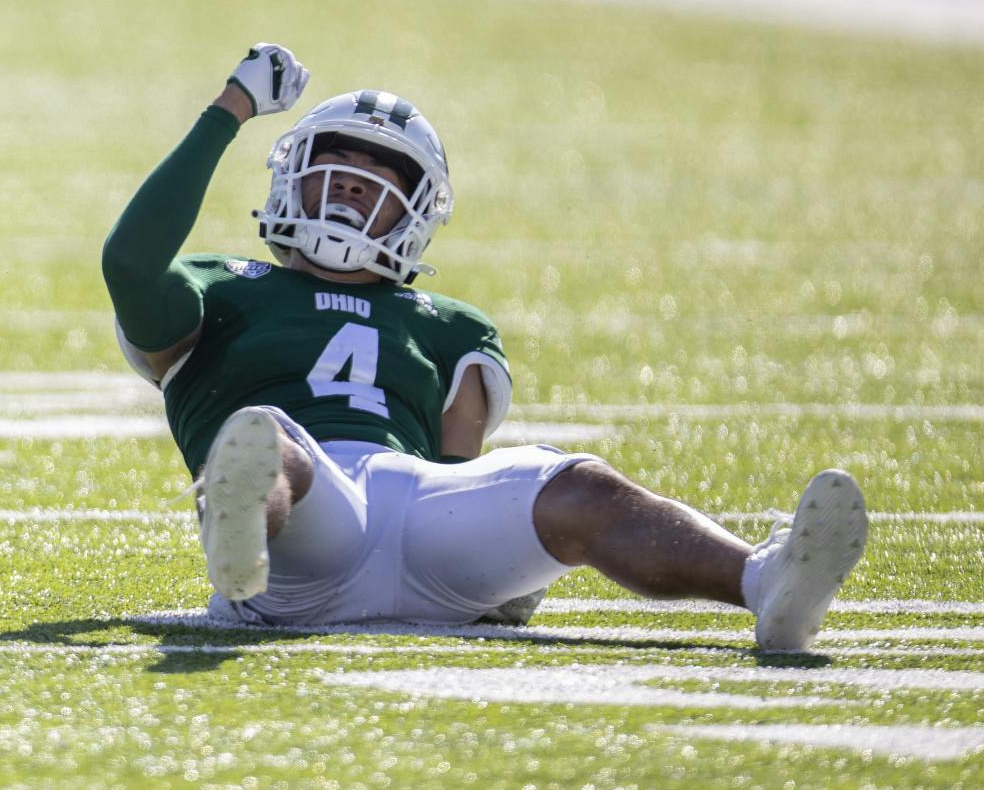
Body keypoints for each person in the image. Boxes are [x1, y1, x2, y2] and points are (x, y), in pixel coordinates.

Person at [100, 44, 869, 651]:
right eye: (337, 164)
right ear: (290, 177)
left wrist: (499, 553)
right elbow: (129, 262)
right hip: (313, 532)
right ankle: (241, 541)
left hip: (418, 514)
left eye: (380, 176)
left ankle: (766, 583)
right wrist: (231, 108)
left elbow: (457, 465)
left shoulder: (448, 322)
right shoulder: (222, 285)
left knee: (581, 483)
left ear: (417, 214)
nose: (355, 183)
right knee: (267, 442)